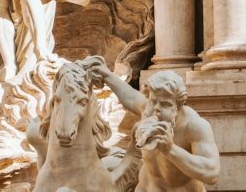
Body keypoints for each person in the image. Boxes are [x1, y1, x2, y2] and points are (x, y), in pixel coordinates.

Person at [87, 60, 221, 191]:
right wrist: (106, 75)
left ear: (178, 107)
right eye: (153, 101)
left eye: (165, 104)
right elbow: (131, 97)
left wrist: (170, 149)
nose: (156, 109)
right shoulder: (149, 110)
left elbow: (212, 173)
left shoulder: (194, 126)